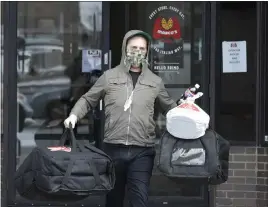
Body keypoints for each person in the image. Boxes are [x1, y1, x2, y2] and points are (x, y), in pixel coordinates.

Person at [64, 30, 177, 207]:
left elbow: (169, 107)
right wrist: (73, 115)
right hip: (113, 149)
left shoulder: (155, 81)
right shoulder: (109, 77)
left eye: (142, 48)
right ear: (125, 48)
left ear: (147, 51)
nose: (137, 51)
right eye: (133, 47)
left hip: (142, 150)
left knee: (139, 198)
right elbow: (88, 99)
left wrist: (187, 111)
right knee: (114, 199)